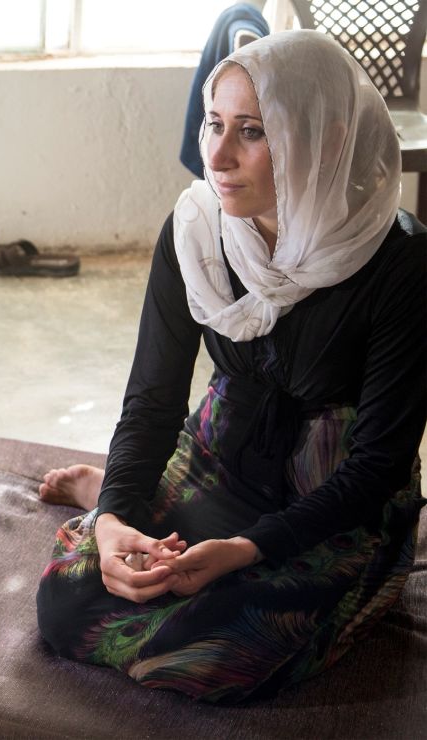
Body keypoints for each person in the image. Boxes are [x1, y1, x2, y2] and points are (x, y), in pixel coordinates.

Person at [35, 30, 425, 703]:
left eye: (252, 131)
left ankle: (143, 512)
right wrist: (114, 520)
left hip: (333, 509)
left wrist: (246, 549)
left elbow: (377, 467)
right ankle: (107, 495)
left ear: (327, 141)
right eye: (214, 124)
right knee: (67, 599)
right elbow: (153, 403)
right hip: (214, 461)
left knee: (222, 653)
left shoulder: (400, 263)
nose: (216, 155)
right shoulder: (195, 233)